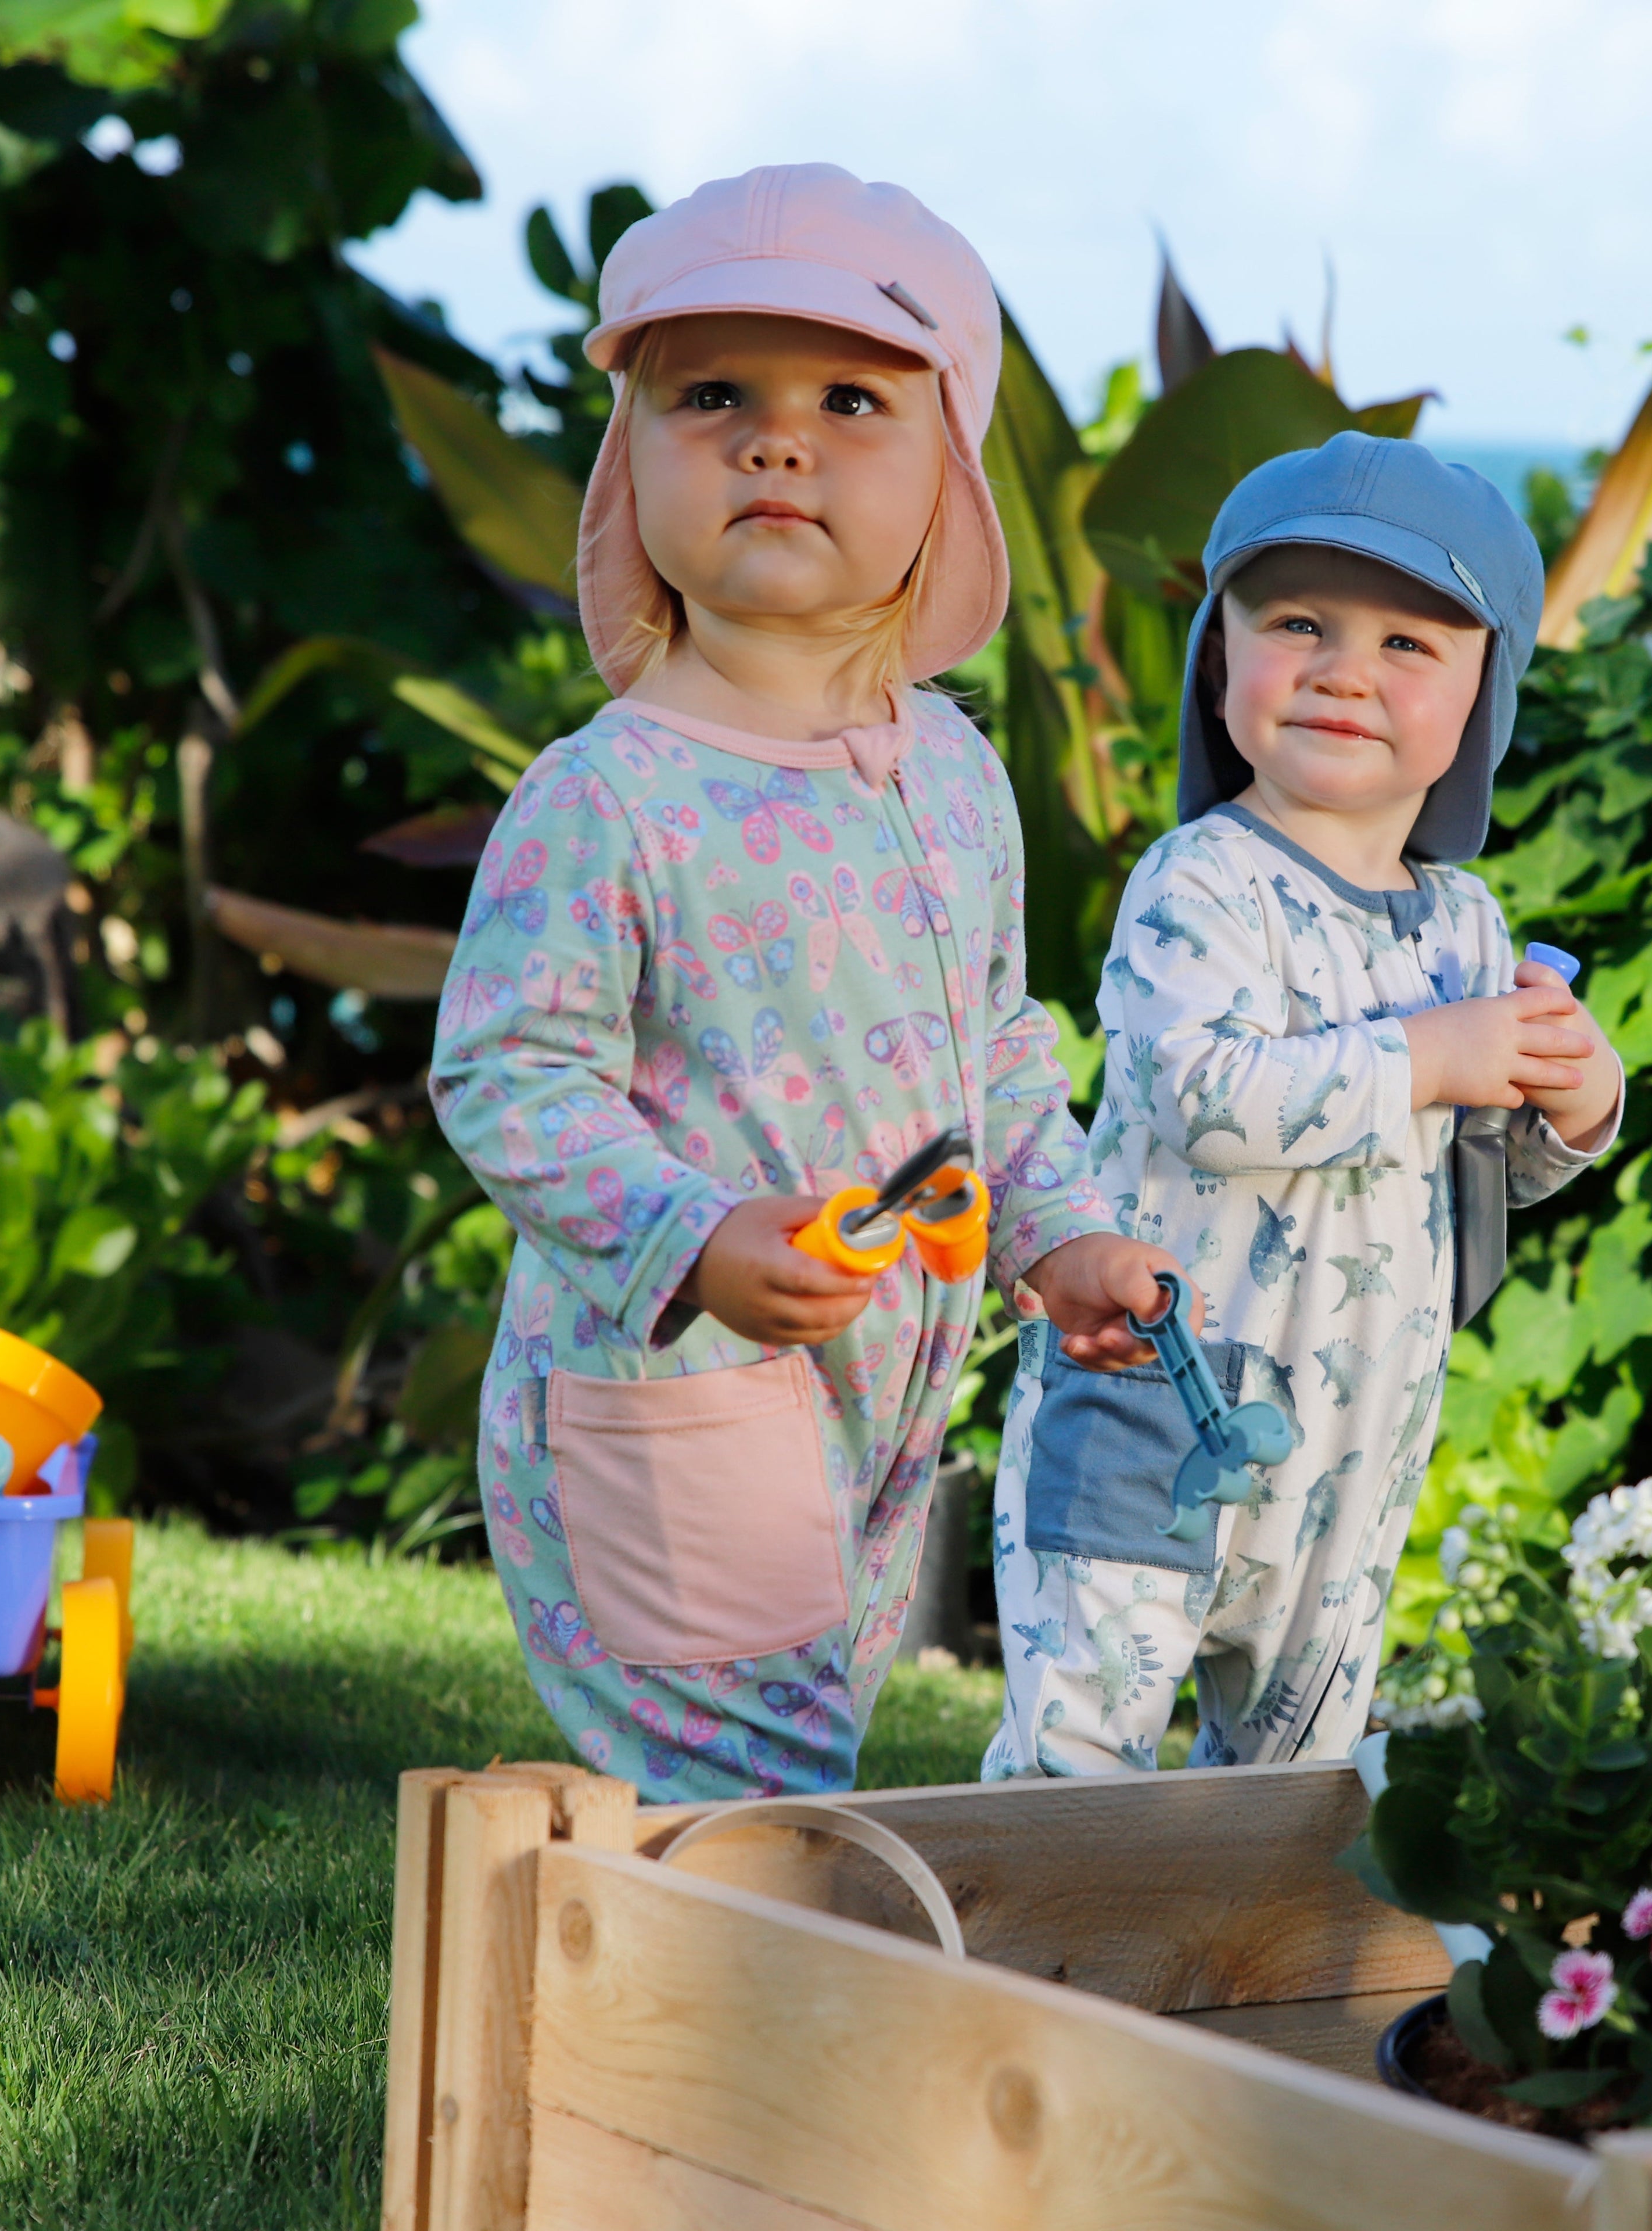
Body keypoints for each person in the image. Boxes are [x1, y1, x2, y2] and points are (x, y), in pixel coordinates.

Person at [430, 165, 1175, 1800]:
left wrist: (1061, 1238)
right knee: (752, 1802)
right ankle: (707, 2042)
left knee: (794, 1764)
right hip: (679, 1387)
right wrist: (691, 1238)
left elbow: (994, 1046)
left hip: (877, 1408)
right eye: (713, 397)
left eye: (851, 397)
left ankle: (671, 2016)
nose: (779, 440)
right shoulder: (606, 793)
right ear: (636, 463)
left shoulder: (956, 775)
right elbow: (509, 1078)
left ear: (950, 480)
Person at [983, 433, 1624, 1779]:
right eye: (1298, 623)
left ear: (1480, 699)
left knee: (1287, 1781)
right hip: (1159, 1399)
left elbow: (1479, 1163)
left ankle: (1223, 1992)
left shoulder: (1463, 921)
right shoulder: (1196, 880)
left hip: (1350, 1445)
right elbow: (1201, 1091)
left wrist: (1569, 1100)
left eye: (1409, 644)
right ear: (1221, 658)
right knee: (1079, 1751)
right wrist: (1432, 1057)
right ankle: (1021, 1978)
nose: (1344, 669)